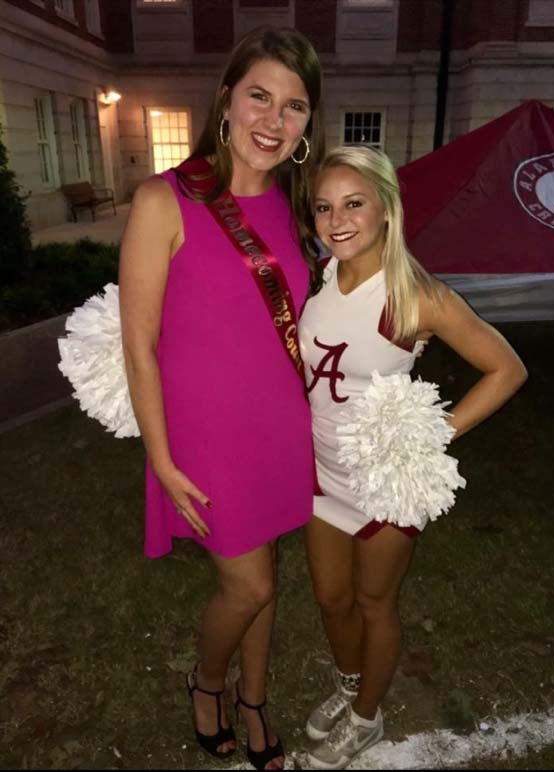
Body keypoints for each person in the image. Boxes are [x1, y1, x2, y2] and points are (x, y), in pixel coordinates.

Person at [119, 26, 324, 771]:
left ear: (308, 126)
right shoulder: (162, 200)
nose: (273, 121)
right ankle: (206, 682)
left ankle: (255, 698)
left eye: (294, 107)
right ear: (226, 100)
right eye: (260, 97)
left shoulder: (303, 210)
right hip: (203, 435)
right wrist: (161, 459)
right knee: (250, 582)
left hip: (279, 427)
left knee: (266, 569)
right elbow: (138, 343)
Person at [298, 145, 528, 770]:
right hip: (321, 473)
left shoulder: (415, 295)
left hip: (383, 484)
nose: (336, 220)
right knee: (330, 598)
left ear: (386, 210)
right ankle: (348, 684)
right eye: (323, 207)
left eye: (353, 204)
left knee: (375, 604)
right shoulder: (320, 276)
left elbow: (507, 369)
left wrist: (431, 436)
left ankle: (367, 717)